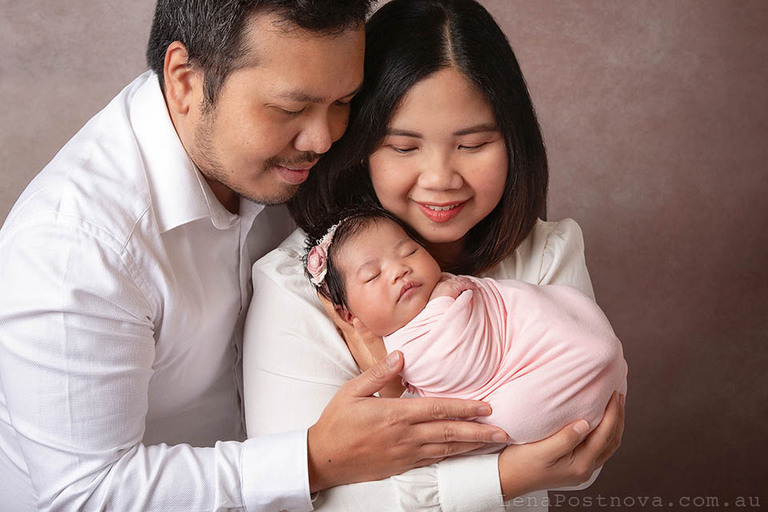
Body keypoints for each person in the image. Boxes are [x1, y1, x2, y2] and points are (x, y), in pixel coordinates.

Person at [0, 1, 512, 511]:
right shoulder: (74, 248)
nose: (323, 138)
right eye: (290, 109)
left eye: (343, 101)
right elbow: (85, 494)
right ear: (183, 80)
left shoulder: (293, 161)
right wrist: (314, 459)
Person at [243, 0, 626, 510]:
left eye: (472, 144)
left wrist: (396, 405)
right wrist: (506, 475)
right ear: (361, 147)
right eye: (404, 147)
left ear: (513, 141)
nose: (441, 178)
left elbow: (582, 454)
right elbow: (299, 500)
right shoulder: (297, 289)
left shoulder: (548, 251)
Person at [303, 207, 628, 446]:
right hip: (559, 389)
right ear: (350, 316)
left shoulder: (449, 289)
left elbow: (479, 347)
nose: (399, 270)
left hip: (566, 346)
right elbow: (453, 372)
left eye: (409, 251)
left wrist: (445, 299)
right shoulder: (402, 344)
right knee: (502, 421)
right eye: (373, 276)